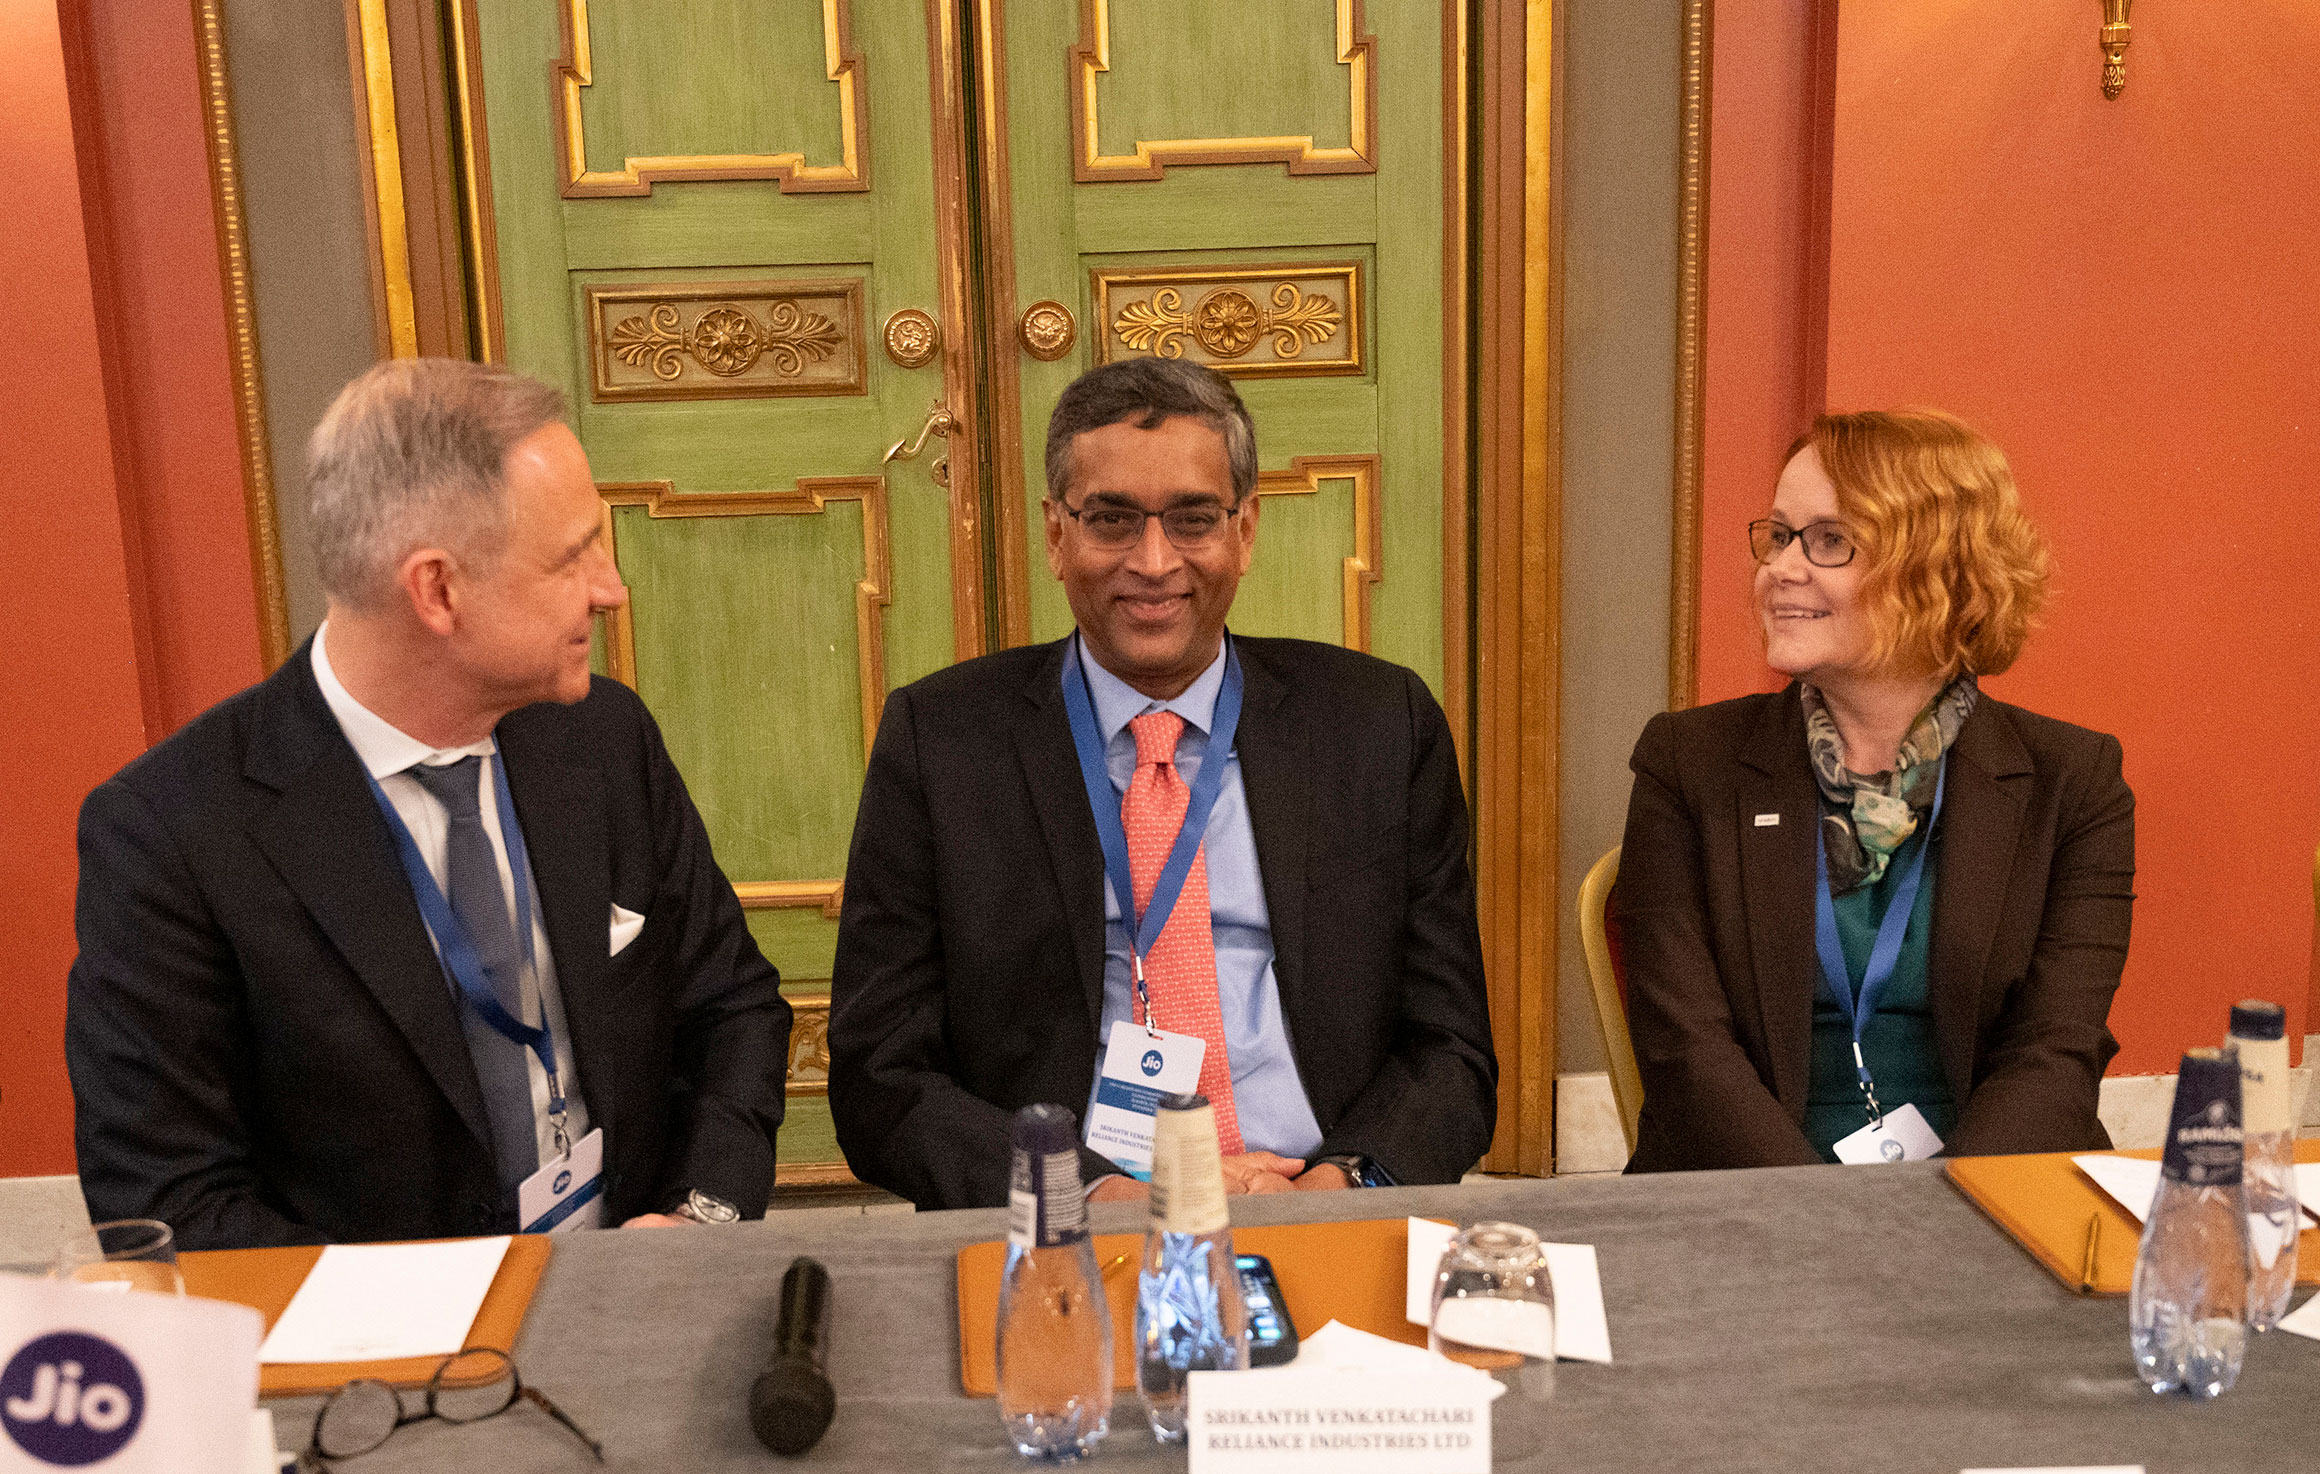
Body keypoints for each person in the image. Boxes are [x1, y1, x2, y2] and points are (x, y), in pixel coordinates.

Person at [66, 359, 791, 1248]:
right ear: (438, 589)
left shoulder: (605, 738)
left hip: (638, 1293)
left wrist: (697, 1220)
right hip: (387, 1364)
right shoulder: (170, 834)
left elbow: (732, 1007)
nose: (612, 588)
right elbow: (172, 1199)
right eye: (572, 557)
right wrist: (454, 1318)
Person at [829, 357, 1495, 1210]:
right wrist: (1089, 1193)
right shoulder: (944, 742)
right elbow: (881, 1077)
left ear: (1245, 531)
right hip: (1075, 1213)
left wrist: (1341, 1185)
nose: (1153, 561)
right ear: (1055, 535)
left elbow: (1451, 1050)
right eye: (1111, 520)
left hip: (1319, 1188)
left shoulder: (1376, 724)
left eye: (1192, 519)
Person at [1617, 408, 2133, 1171]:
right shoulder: (1688, 762)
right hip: (1748, 1190)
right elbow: (1685, 1048)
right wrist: (1830, 1225)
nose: (1780, 569)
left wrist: (1943, 1218)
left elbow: (2054, 1054)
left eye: (1829, 540)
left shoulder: (2073, 782)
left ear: (1938, 570)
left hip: (1990, 1185)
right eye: (1780, 535)